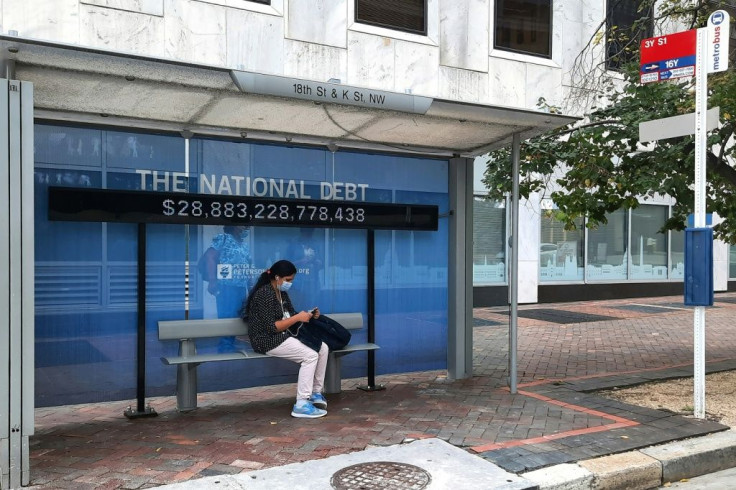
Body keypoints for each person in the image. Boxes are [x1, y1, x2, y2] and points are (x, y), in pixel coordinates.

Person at [242, 260, 329, 418]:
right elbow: (272, 327)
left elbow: (291, 315)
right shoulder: (264, 294)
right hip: (266, 340)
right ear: (277, 277)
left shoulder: (282, 294)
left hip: (284, 336)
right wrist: (297, 317)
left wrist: (309, 315)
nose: (290, 283)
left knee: (323, 347)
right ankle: (302, 403)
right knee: (310, 356)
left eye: (292, 280)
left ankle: (316, 393)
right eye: (288, 280)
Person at [202, 225, 252, 351]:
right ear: (235, 227)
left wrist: (250, 285)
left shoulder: (244, 244)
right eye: (244, 226)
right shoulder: (223, 238)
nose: (246, 229)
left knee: (237, 316)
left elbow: (247, 265)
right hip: (226, 286)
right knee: (227, 315)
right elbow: (210, 257)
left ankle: (229, 343)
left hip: (241, 286)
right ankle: (225, 346)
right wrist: (212, 280)